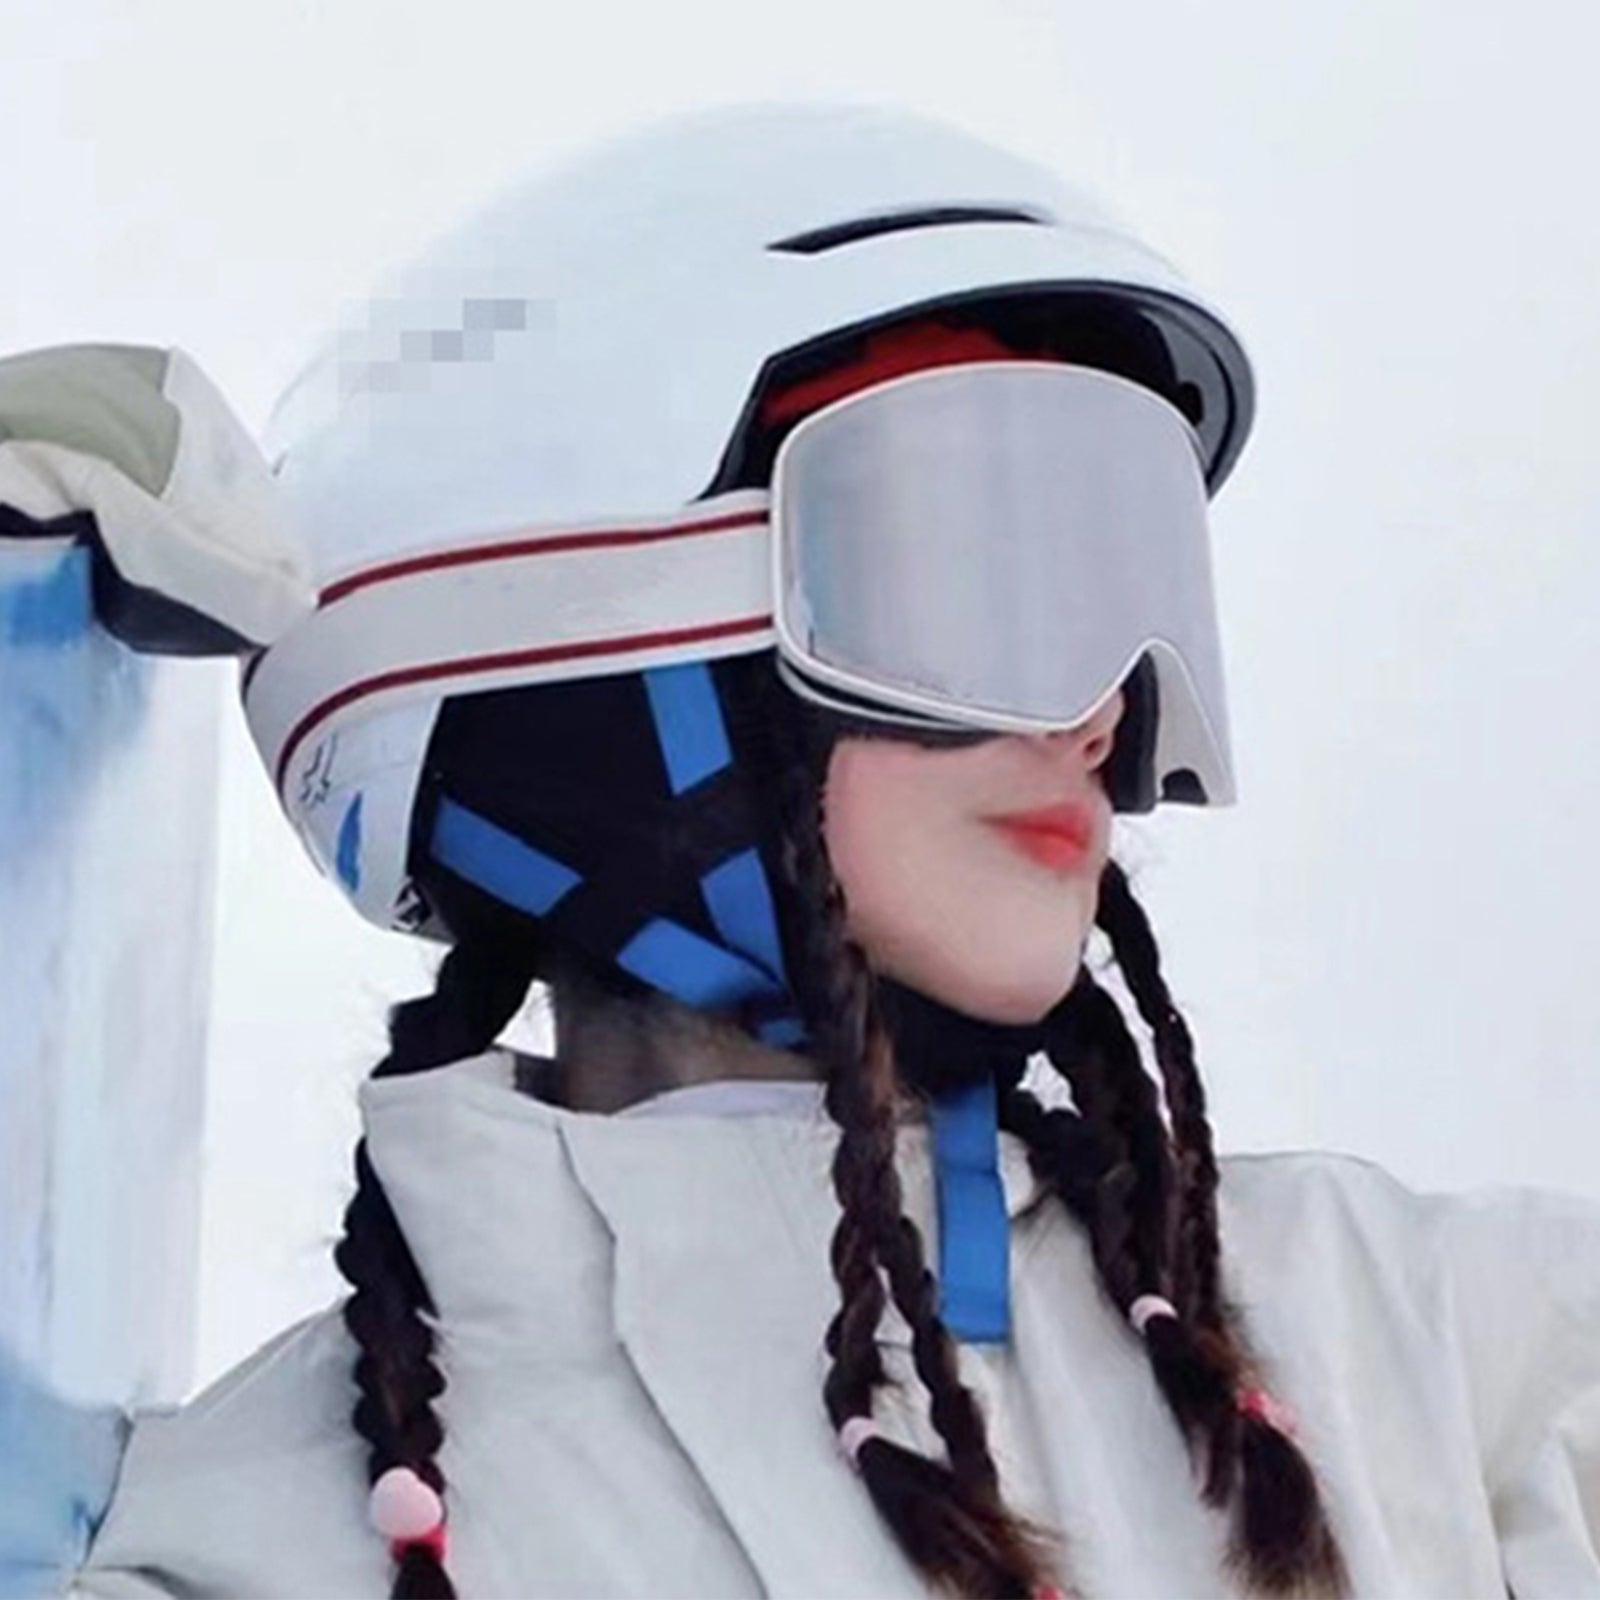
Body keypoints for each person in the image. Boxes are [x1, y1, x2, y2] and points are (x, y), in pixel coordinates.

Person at [11, 103, 1600, 1599]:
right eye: (978, 582)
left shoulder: (1414, 1346)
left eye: (1127, 598)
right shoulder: (262, 1541)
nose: (1097, 717)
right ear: (570, 647)